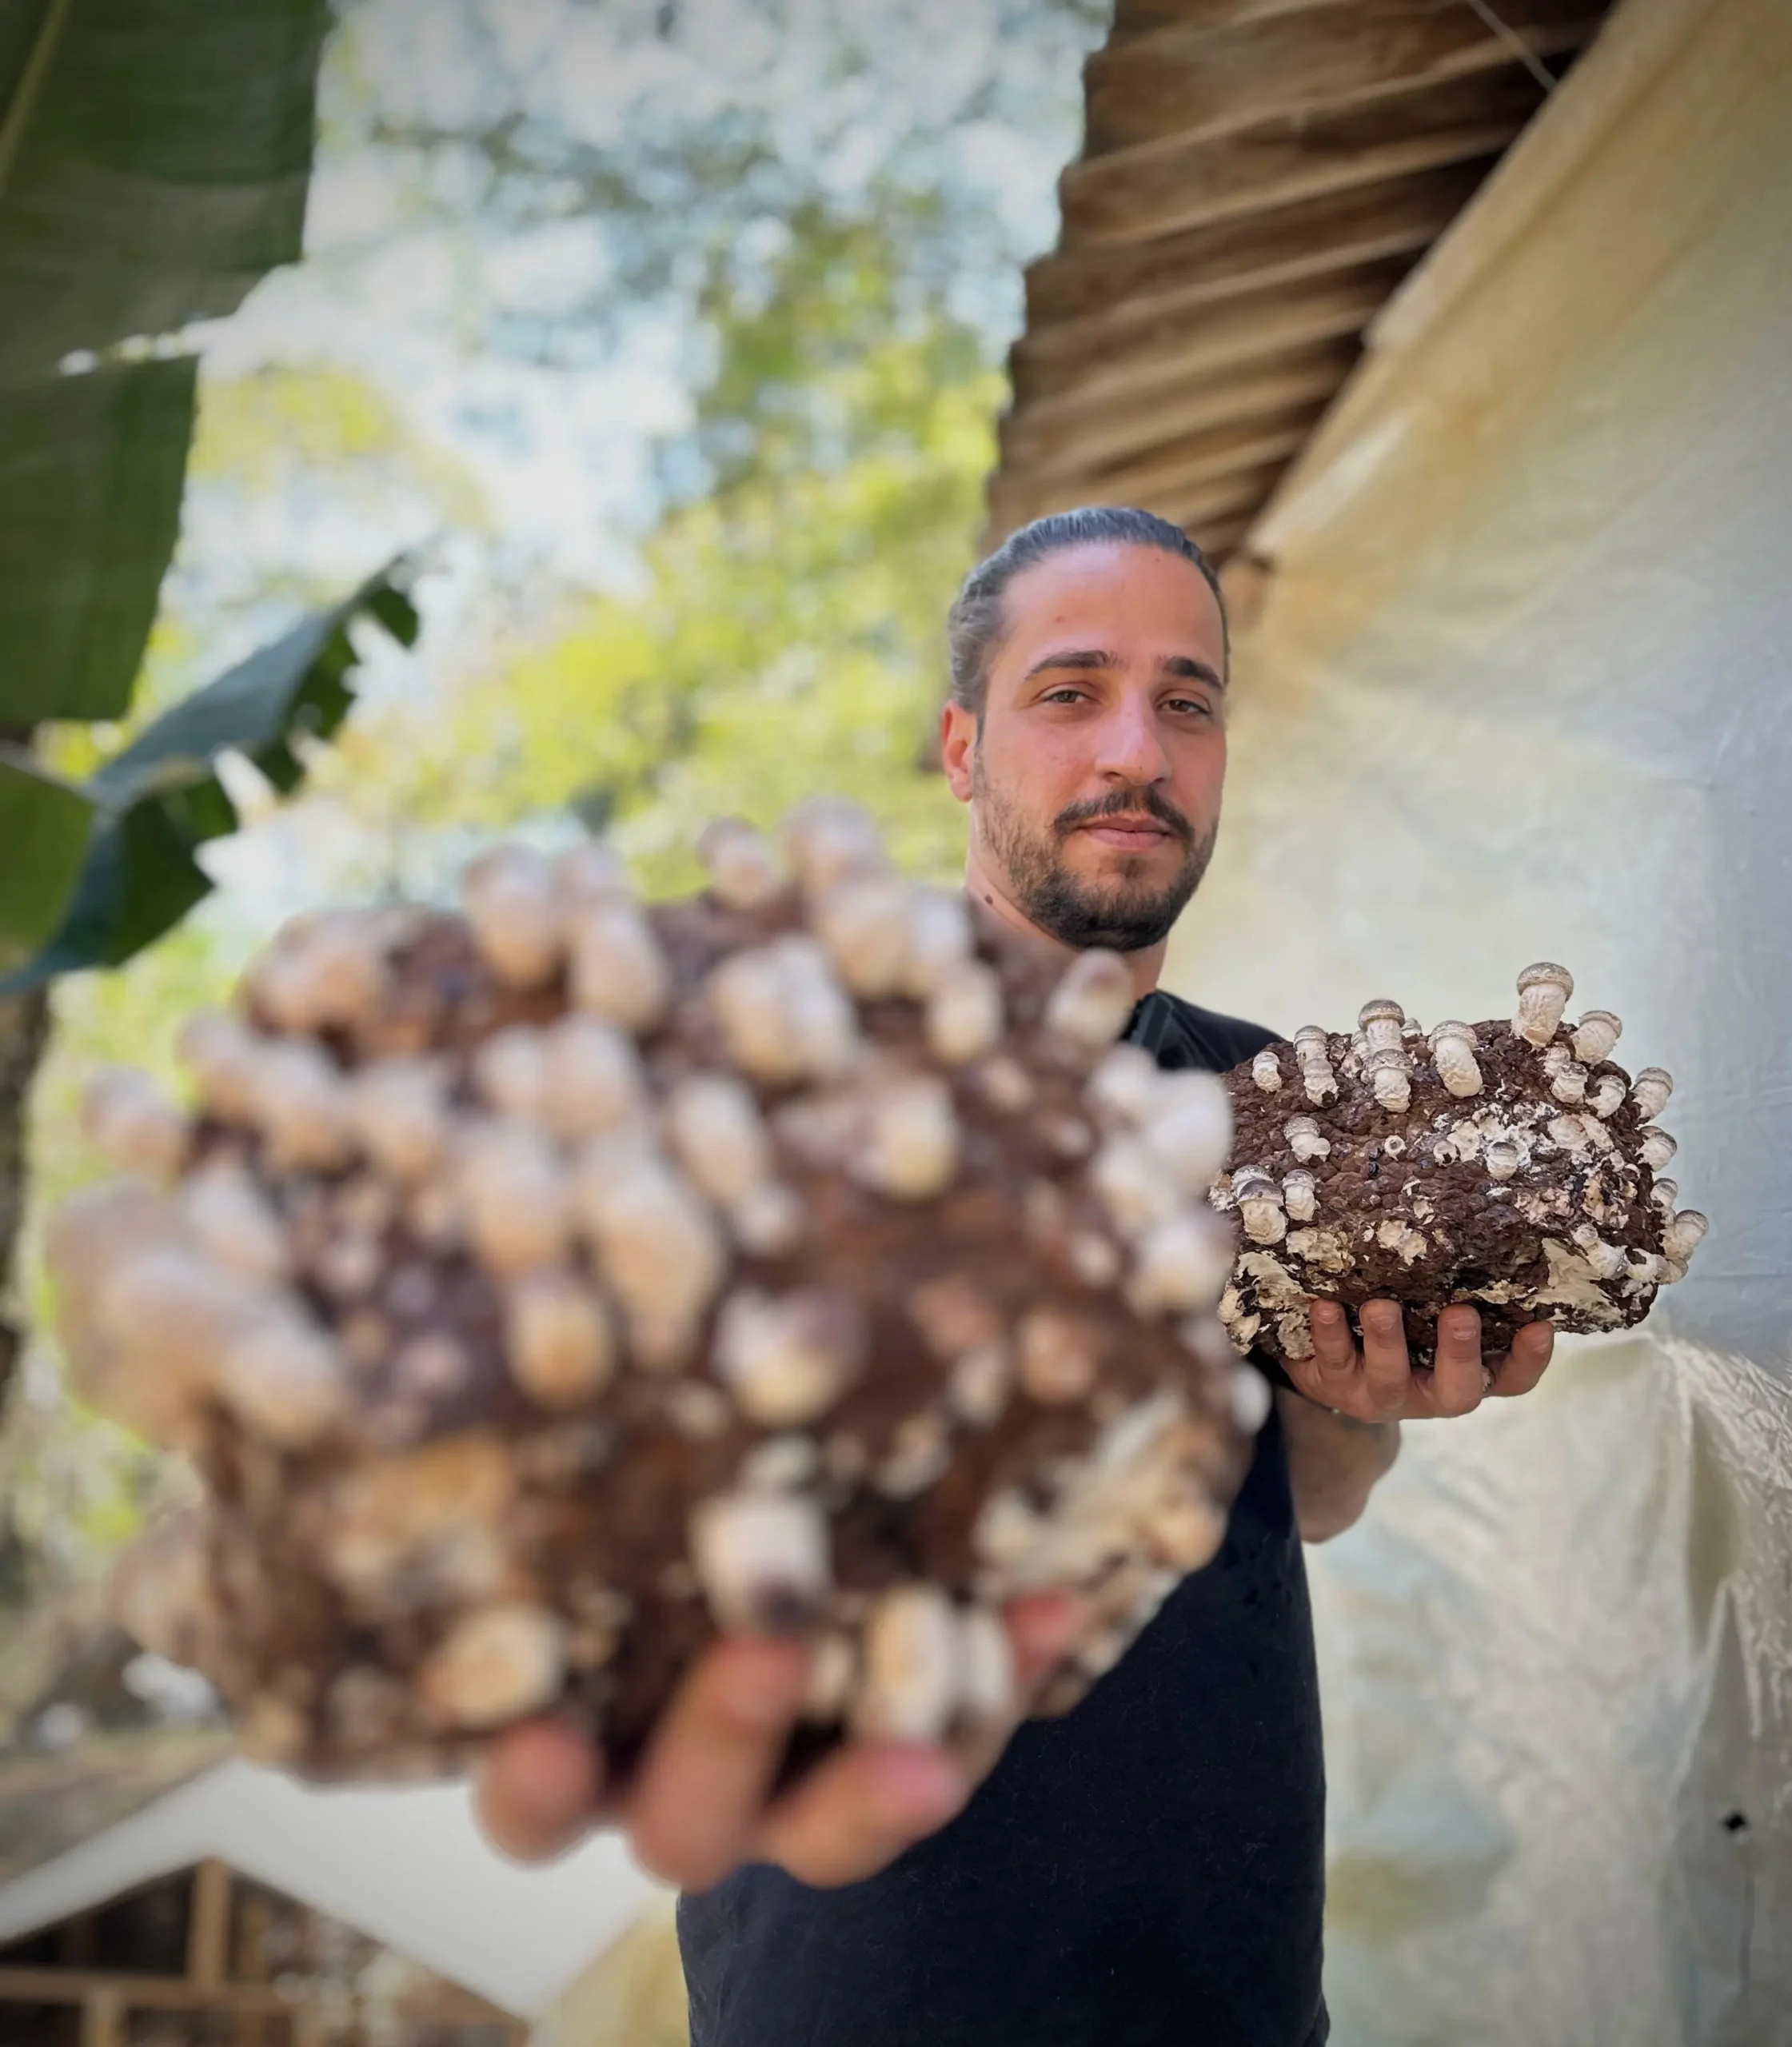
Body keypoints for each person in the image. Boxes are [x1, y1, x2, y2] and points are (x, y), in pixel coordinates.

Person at [475, 507, 1558, 2045]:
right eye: (1072, 692)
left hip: (1223, 1987)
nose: (1140, 749)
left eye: (1188, 701)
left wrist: (1357, 1396)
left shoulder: (1282, 1108)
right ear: (963, 746)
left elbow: (1299, 1499)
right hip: (860, 1984)